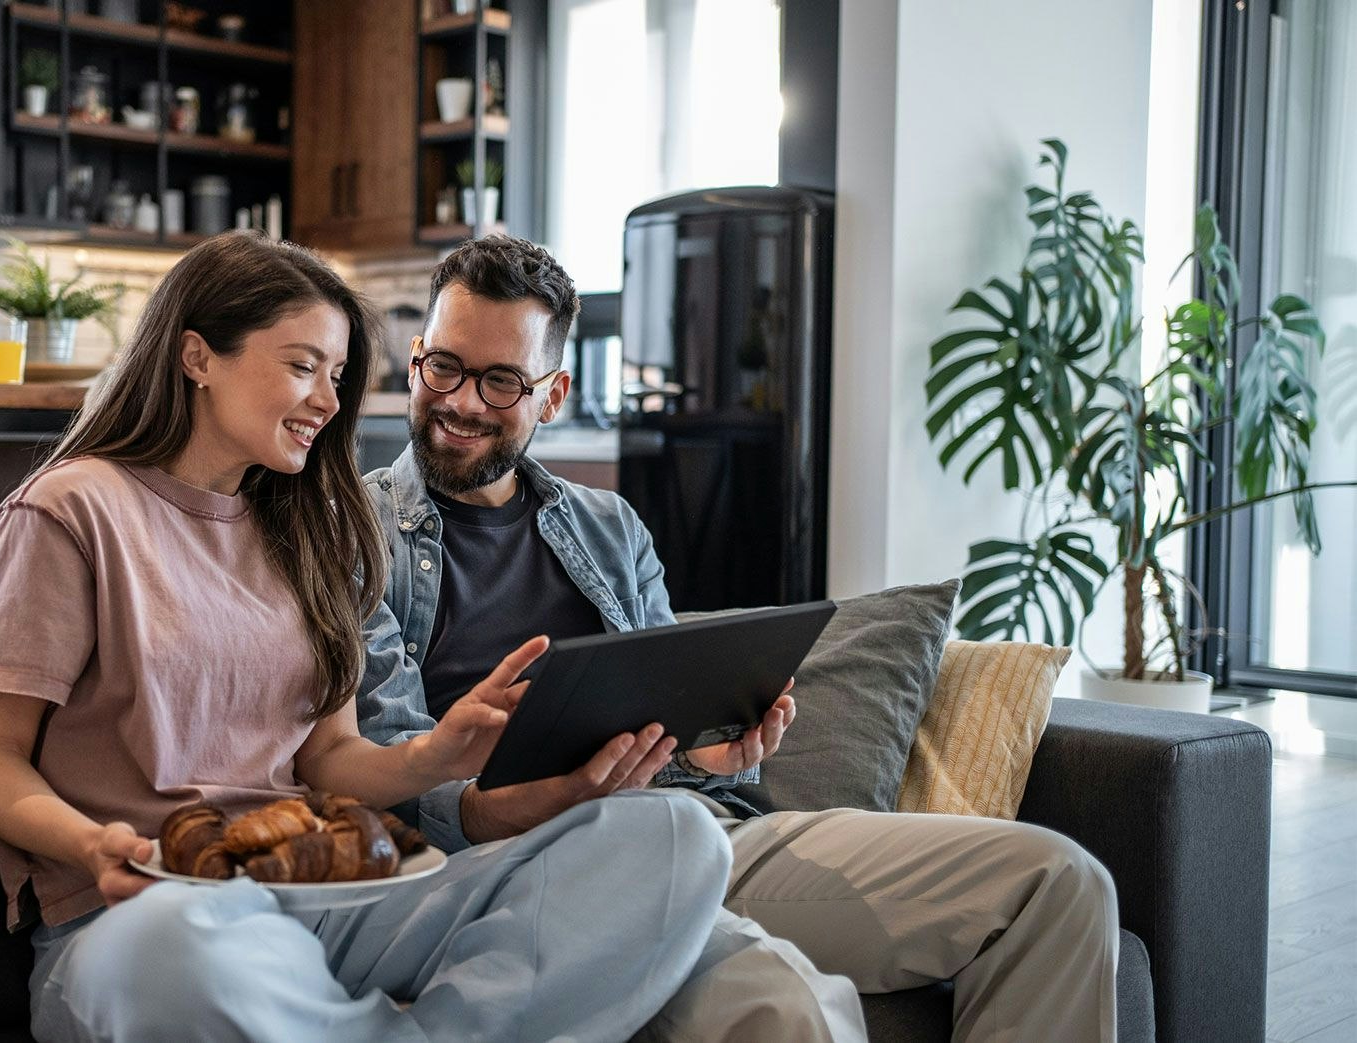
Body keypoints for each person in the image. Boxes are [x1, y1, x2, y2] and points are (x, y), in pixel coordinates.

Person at [0, 230, 749, 1043]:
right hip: (140, 912)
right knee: (179, 953)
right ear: (198, 356)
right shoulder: (69, 511)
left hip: (328, 897)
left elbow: (327, 760)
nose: (330, 402)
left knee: (673, 836)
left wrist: (442, 753)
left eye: (337, 376)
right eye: (303, 366)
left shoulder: (306, 529)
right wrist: (92, 844)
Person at [358, 234, 1123, 1042]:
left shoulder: (609, 527)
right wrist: (496, 807)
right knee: (794, 1017)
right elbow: (385, 772)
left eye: (501, 380)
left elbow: (663, 720)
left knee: (1059, 882)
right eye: (442, 365)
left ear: (553, 395)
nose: (462, 401)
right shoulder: (355, 530)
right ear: (414, 358)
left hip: (694, 831)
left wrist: (708, 752)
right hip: (530, 874)